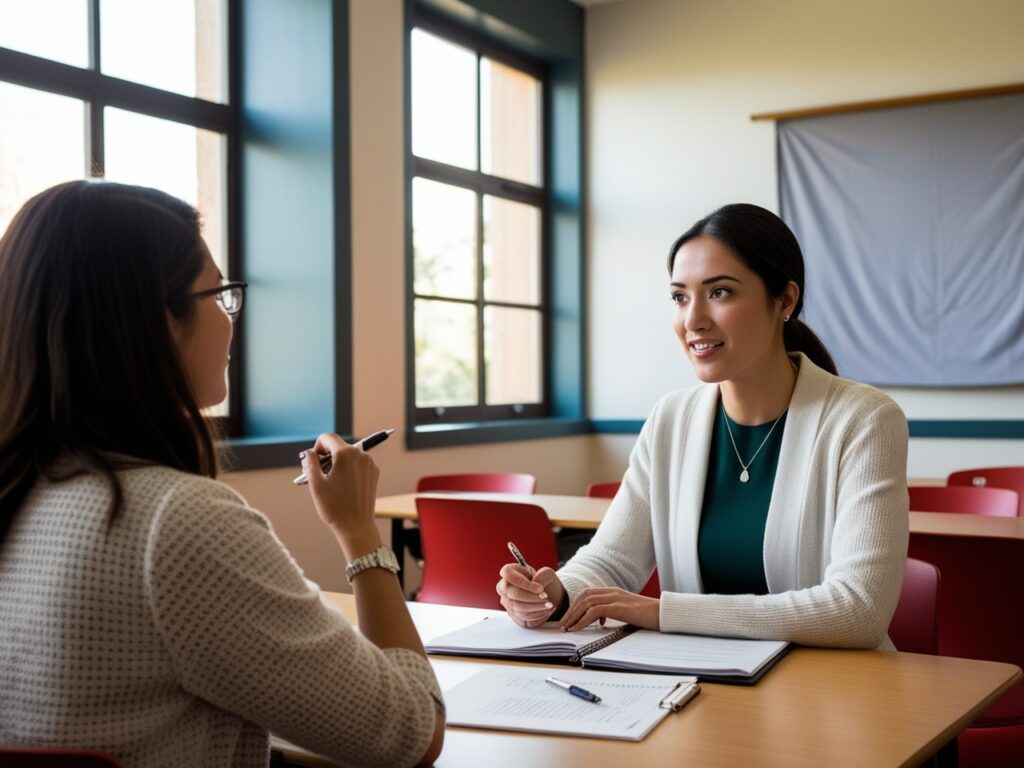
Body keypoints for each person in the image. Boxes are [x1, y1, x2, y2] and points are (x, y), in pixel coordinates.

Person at [0, 180, 444, 766]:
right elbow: (410, 734)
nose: (231, 318)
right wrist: (360, 533)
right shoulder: (175, 523)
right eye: (220, 293)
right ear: (161, 320)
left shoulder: (25, 494)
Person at [497, 203, 909, 649]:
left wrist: (663, 612)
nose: (692, 320)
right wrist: (555, 594)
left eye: (720, 293)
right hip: (701, 686)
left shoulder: (865, 419)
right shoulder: (670, 419)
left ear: (785, 300)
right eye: (679, 297)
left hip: (830, 695)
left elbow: (859, 610)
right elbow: (611, 563)